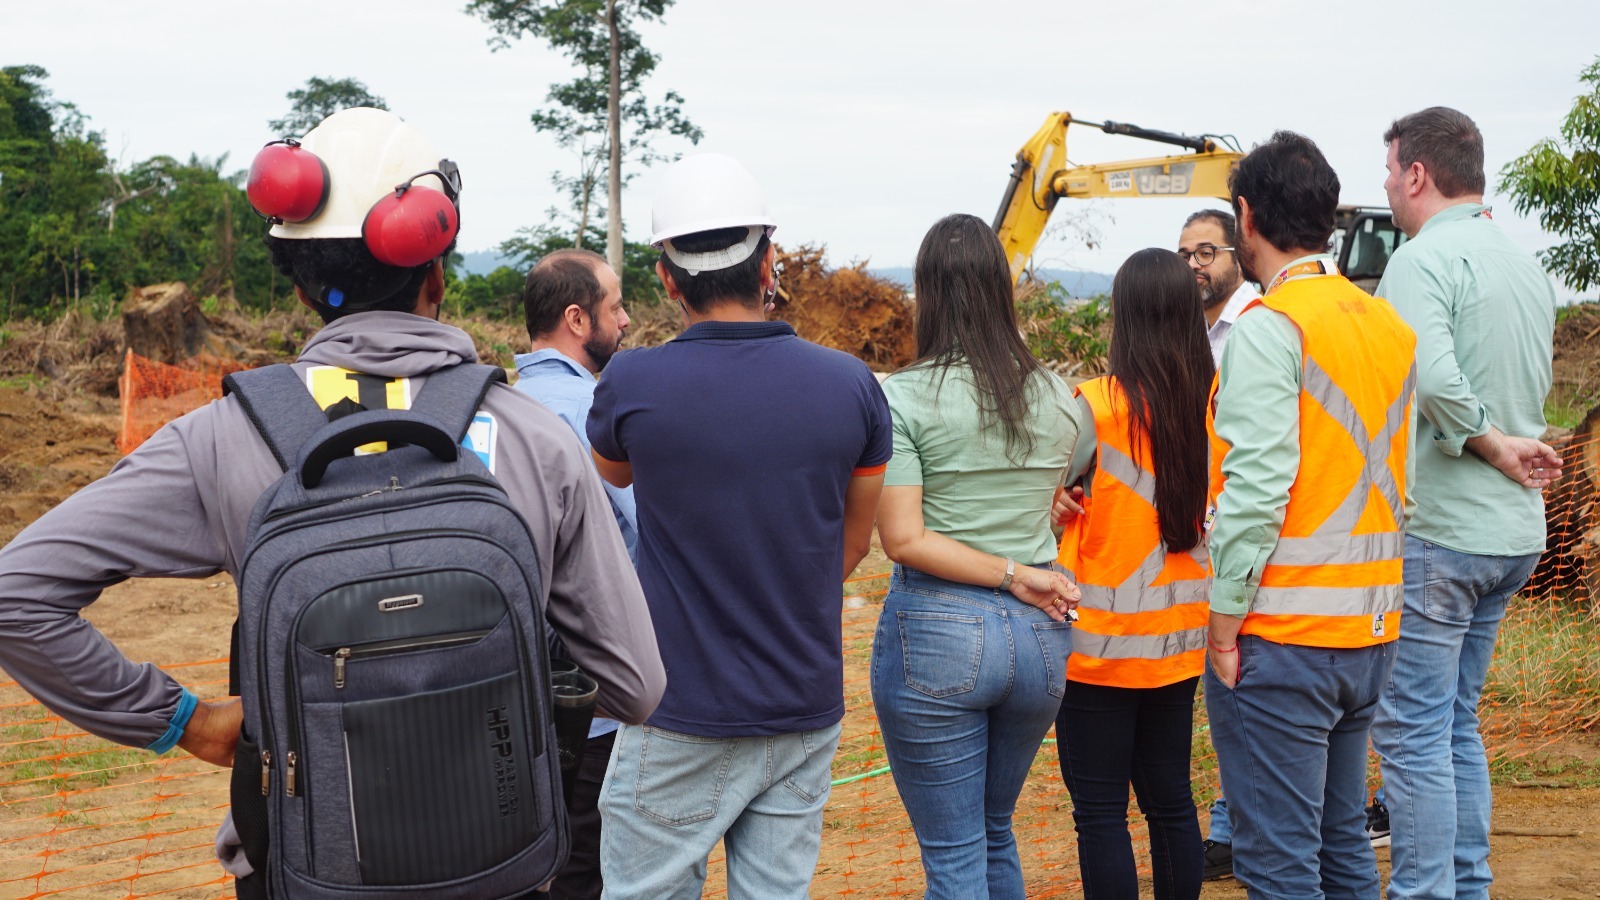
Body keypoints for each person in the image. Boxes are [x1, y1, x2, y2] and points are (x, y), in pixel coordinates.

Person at [0, 107, 666, 890]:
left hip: (304, 865)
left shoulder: (221, 440)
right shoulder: (535, 438)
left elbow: (17, 593)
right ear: (439, 270)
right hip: (499, 864)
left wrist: (186, 721)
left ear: (299, 285)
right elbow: (636, 685)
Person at [585, 153, 893, 899]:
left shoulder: (632, 381)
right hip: (802, 706)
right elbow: (854, 540)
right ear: (769, 265)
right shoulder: (850, 383)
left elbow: (613, 473)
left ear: (667, 277)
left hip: (677, 711)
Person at [1203, 130, 1417, 899]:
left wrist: (1223, 621)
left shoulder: (1270, 326)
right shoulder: (1386, 325)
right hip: (1370, 631)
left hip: (1286, 638)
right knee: (1340, 844)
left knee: (1277, 859)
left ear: (1245, 215)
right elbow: (1401, 478)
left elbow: (1256, 489)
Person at [1369, 106, 1560, 900]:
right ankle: (1466, 886)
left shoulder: (1421, 260)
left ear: (1417, 173)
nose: (1384, 186)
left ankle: (1426, 894)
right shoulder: (1524, 265)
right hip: (1513, 531)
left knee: (1413, 733)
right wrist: (1505, 442)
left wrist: (1487, 440)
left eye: (1388, 171)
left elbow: (1434, 379)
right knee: (1453, 724)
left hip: (1445, 531)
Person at [871, 212, 1081, 899]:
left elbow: (903, 540)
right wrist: (1023, 571)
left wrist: (1012, 576)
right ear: (1001, 288)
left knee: (955, 854)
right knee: (995, 831)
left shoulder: (901, 396)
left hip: (942, 633)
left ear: (927, 294)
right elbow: (1053, 496)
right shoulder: (1059, 396)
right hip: (1043, 641)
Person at [1053, 247, 1213, 900]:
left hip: (1100, 650)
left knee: (1100, 815)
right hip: (1180, 644)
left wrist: (1056, 504)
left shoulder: (1095, 406)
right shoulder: (1215, 406)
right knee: (1172, 801)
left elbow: (1046, 497)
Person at [514, 247, 638, 900]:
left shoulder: (493, 412)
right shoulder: (592, 415)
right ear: (577, 319)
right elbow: (634, 544)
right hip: (591, 711)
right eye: (615, 305)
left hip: (510, 701)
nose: (627, 319)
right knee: (587, 870)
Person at [1177, 209, 1259, 367]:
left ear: (1240, 258)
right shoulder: (1187, 328)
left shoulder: (1260, 326)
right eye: (1184, 257)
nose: (1192, 265)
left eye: (1206, 253)